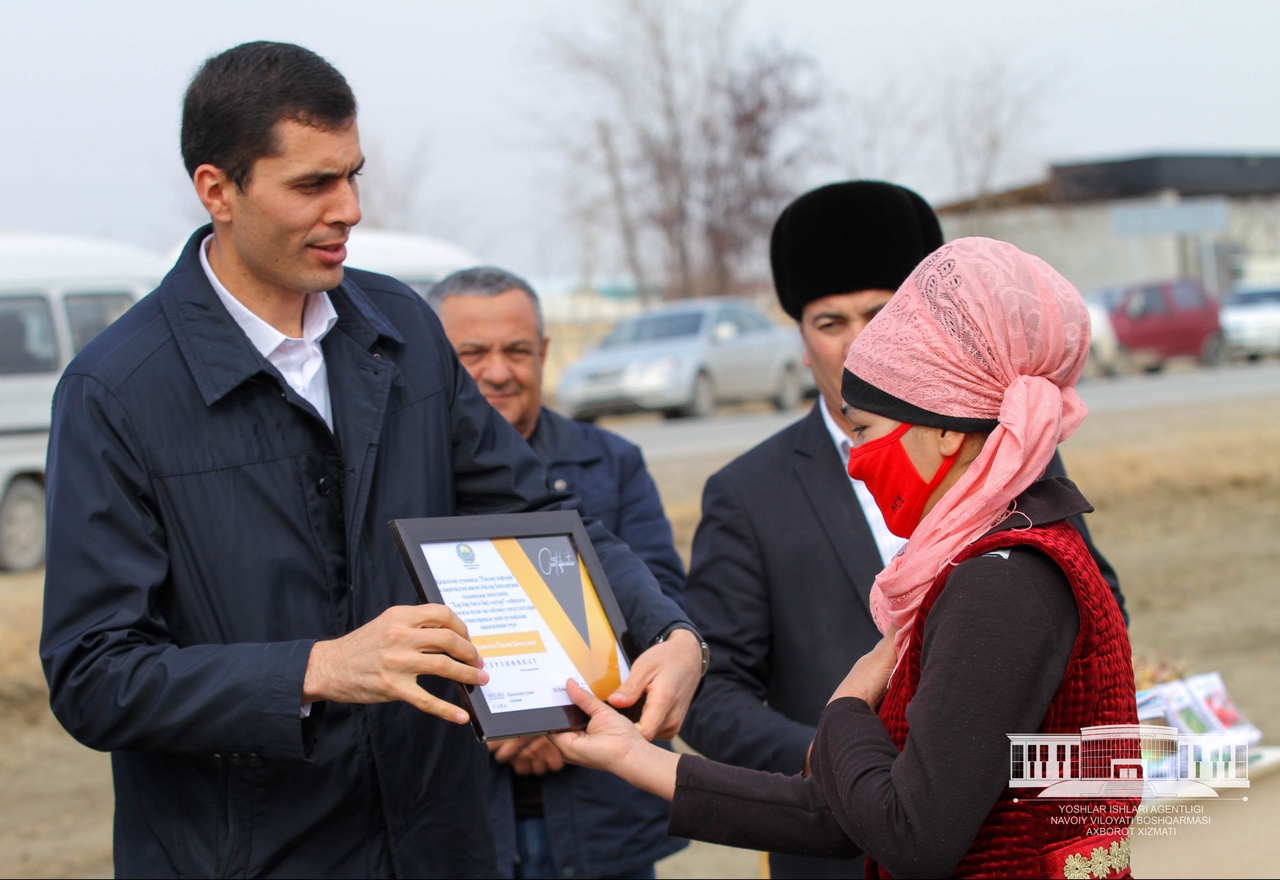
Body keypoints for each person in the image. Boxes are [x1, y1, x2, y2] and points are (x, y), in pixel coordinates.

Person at [38, 41, 705, 879]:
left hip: (442, 848)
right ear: (217, 190)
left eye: (353, 175)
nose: (349, 209)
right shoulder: (115, 391)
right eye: (313, 184)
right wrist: (317, 668)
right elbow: (95, 676)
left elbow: (534, 516)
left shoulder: (402, 331)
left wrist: (668, 631)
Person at [550, 236, 1141, 879]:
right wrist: (632, 757)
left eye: (864, 430)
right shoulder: (988, 554)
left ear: (947, 428)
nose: (855, 463)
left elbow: (913, 836)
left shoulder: (1002, 579)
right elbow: (845, 816)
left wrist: (846, 709)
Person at [428, 266, 690, 879]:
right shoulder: (407, 477)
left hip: (605, 817)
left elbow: (660, 602)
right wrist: (493, 720)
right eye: (472, 353)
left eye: (517, 351)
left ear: (544, 351)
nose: (498, 371)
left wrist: (544, 716)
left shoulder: (612, 463)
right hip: (458, 820)